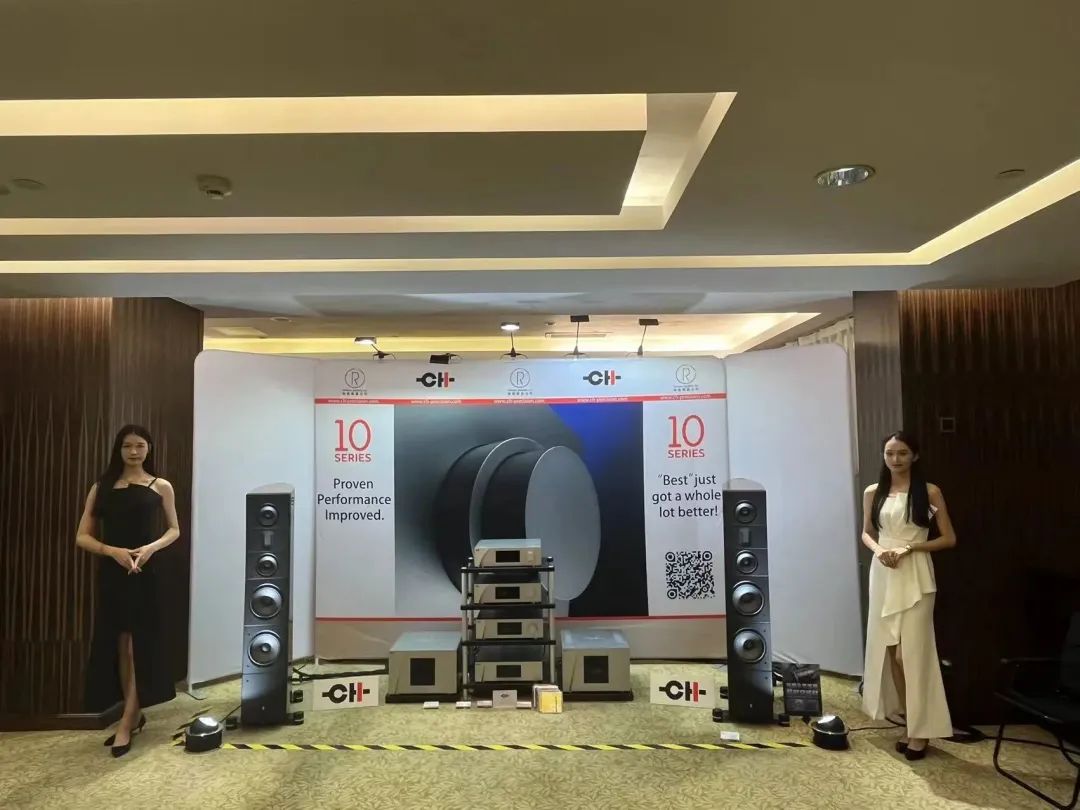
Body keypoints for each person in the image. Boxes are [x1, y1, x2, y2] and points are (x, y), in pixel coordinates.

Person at [75, 425, 180, 757]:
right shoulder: (101, 487)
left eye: (140, 445)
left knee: (138, 646)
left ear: (149, 448)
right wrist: (112, 552)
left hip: (146, 572)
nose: (134, 452)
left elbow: (174, 530)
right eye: (127, 446)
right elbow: (82, 536)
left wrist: (150, 548)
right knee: (120, 645)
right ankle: (132, 714)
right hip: (114, 572)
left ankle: (127, 721)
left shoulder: (160, 485)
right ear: (118, 450)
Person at [861, 430, 956, 760]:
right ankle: (910, 724)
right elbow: (866, 533)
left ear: (914, 455)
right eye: (890, 453)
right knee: (890, 653)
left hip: (915, 573)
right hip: (884, 572)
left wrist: (911, 547)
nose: (895, 459)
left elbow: (948, 538)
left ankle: (923, 729)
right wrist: (879, 551)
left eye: (902, 453)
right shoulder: (873, 491)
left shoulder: (929, 492)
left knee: (910, 654)